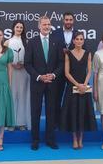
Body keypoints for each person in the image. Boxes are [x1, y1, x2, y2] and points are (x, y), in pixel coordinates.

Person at [24, 16, 64, 150]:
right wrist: (39, 76)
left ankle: (50, 140)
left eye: (48, 24)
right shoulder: (32, 42)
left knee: (51, 112)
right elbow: (27, 64)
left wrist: (53, 75)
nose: (47, 26)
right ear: (39, 26)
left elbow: (61, 62)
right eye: (44, 24)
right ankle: (35, 140)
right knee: (35, 112)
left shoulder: (57, 41)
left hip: (52, 83)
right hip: (37, 83)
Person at [60, 32, 97, 149]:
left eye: (81, 39)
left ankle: (81, 139)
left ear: (83, 41)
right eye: (77, 39)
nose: (79, 41)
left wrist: (84, 85)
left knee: (82, 113)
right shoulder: (68, 54)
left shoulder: (88, 54)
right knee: (73, 113)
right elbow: (66, 73)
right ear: (74, 41)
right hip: (72, 87)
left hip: (84, 88)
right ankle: (74, 140)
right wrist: (77, 85)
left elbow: (89, 71)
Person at [52, 12, 79, 127]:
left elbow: (83, 49)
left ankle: (69, 121)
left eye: (70, 20)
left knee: (72, 98)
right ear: (63, 21)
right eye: (66, 20)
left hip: (73, 71)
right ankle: (56, 122)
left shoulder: (78, 34)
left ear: (73, 21)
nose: (68, 22)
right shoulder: (55, 33)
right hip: (58, 70)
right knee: (56, 97)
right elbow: (52, 51)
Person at [4, 20, 31, 131]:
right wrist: (12, 65)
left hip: (24, 73)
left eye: (21, 27)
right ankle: (10, 122)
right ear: (13, 28)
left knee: (23, 96)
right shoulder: (7, 42)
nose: (19, 29)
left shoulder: (27, 42)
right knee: (12, 96)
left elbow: (29, 58)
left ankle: (21, 122)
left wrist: (23, 64)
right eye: (17, 27)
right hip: (11, 72)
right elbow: (3, 59)